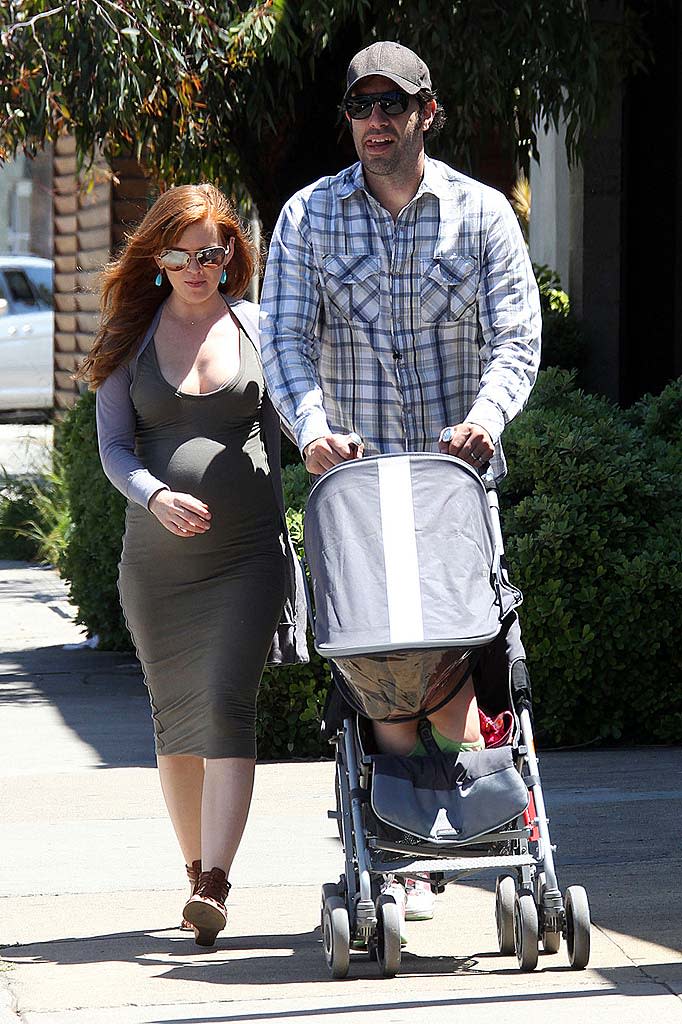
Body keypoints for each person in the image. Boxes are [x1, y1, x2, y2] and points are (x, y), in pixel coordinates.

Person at [260, 41, 541, 924]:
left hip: (453, 483)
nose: (375, 121)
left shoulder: (483, 213)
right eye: (360, 107)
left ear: (428, 114)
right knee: (380, 649)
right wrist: (309, 428)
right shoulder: (308, 218)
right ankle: (405, 846)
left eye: (393, 105)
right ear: (348, 119)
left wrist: (486, 420)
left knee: (458, 637)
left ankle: (464, 817)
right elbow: (284, 342)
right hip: (358, 485)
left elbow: (517, 337)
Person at [78, 184, 307, 947]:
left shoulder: (259, 328)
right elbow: (113, 447)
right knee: (176, 723)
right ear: (158, 258)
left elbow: (298, 414)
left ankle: (217, 881)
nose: (198, 267)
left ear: (231, 254)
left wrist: (324, 441)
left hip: (248, 556)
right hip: (158, 568)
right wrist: (153, 496)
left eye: (213, 252)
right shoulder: (129, 339)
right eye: (181, 254)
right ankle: (193, 875)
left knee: (226, 704)